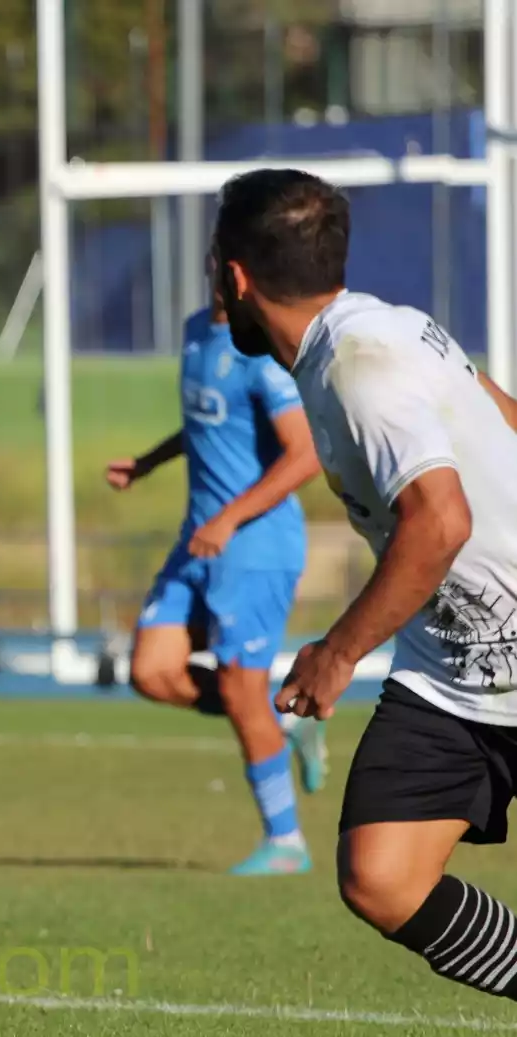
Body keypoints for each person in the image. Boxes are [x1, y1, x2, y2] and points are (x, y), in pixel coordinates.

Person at [216, 167, 517, 998]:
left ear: (232, 277)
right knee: (382, 876)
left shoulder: (360, 362)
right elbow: (503, 415)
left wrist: (336, 652)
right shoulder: (382, 332)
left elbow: (440, 521)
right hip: (453, 668)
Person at [104, 292, 326, 875]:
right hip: (198, 540)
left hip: (253, 547)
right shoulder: (196, 328)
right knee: (151, 672)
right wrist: (148, 462)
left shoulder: (263, 353)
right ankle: (284, 730)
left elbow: (304, 455)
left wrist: (229, 519)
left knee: (240, 689)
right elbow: (208, 420)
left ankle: (286, 843)